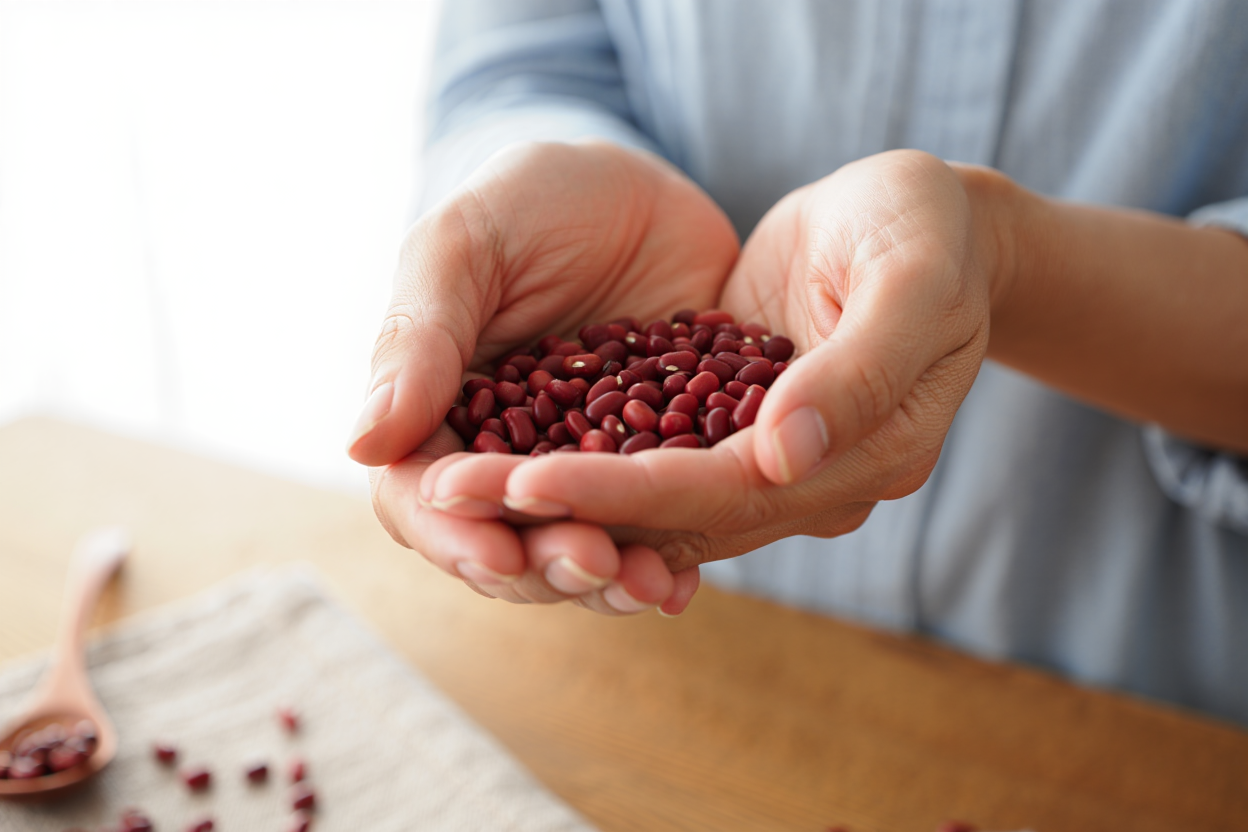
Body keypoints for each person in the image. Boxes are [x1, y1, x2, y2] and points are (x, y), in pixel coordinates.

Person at [347, 0, 1248, 724]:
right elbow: (518, 62)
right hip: (692, 662)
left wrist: (1007, 256)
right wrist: (530, 180)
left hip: (1132, 707)